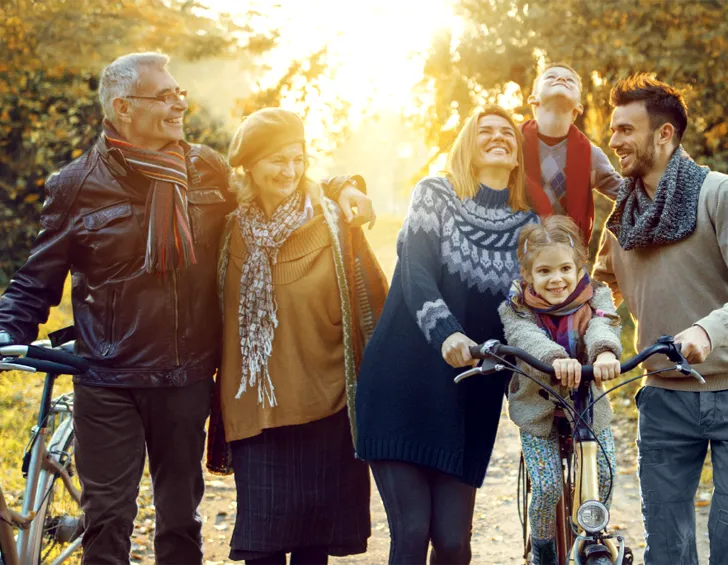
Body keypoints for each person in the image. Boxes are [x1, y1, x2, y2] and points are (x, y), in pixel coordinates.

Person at [0, 52, 374, 565]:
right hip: (109, 377)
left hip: (186, 377)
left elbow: (272, 182)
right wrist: (5, 331)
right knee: (107, 517)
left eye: (180, 93)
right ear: (123, 107)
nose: (180, 103)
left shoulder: (205, 169)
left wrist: (341, 185)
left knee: (180, 521)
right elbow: (34, 280)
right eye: (166, 95)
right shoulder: (76, 186)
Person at [593, 73, 728, 565]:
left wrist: (707, 330)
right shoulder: (621, 218)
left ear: (664, 135)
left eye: (626, 130)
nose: (614, 142)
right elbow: (600, 293)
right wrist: (601, 341)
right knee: (669, 552)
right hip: (664, 401)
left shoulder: (720, 193)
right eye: (613, 130)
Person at [355, 105, 539, 564]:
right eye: (486, 131)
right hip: (403, 383)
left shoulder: (528, 226)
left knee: (454, 543)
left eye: (508, 133)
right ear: (467, 146)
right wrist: (447, 334)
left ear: (518, 154)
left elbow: (534, 305)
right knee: (413, 533)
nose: (498, 137)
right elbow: (416, 272)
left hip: (470, 397)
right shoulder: (434, 194)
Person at [204, 108, 387, 565]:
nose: (289, 171)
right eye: (276, 160)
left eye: (297, 159)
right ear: (249, 165)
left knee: (312, 551)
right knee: (261, 551)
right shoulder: (226, 227)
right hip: (255, 410)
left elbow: (376, 305)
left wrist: (344, 184)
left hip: (325, 406)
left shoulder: (335, 223)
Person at [499, 215, 622, 565]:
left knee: (607, 473)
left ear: (579, 266)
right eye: (544, 272)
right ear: (528, 275)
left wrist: (606, 351)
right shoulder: (516, 306)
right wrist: (554, 358)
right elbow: (526, 338)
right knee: (547, 487)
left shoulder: (596, 295)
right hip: (538, 411)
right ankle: (543, 550)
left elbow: (603, 324)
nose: (557, 279)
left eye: (566, 268)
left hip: (586, 405)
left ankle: (594, 532)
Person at [521, 63, 623, 243]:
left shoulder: (591, 155)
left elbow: (629, 195)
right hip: (515, 254)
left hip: (567, 257)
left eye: (570, 80)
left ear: (579, 108)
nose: (561, 79)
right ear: (533, 99)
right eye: (551, 77)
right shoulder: (512, 143)